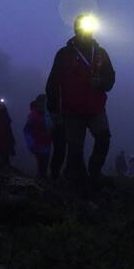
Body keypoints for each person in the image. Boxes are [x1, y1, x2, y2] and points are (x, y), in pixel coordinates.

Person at [46, 13, 115, 182]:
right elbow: (53, 83)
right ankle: (77, 178)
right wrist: (54, 109)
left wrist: (101, 83)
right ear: (76, 30)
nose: (86, 32)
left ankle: (94, 171)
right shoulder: (64, 54)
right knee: (75, 148)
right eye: (83, 28)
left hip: (96, 108)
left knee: (103, 138)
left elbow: (111, 78)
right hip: (72, 110)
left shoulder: (100, 52)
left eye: (90, 27)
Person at [24, 94, 52, 179]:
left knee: (44, 161)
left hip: (46, 142)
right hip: (38, 143)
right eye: (42, 102)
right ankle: (41, 179)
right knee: (42, 162)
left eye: (45, 103)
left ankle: (41, 178)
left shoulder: (47, 114)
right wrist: (31, 143)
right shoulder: (33, 116)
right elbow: (27, 130)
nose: (43, 105)